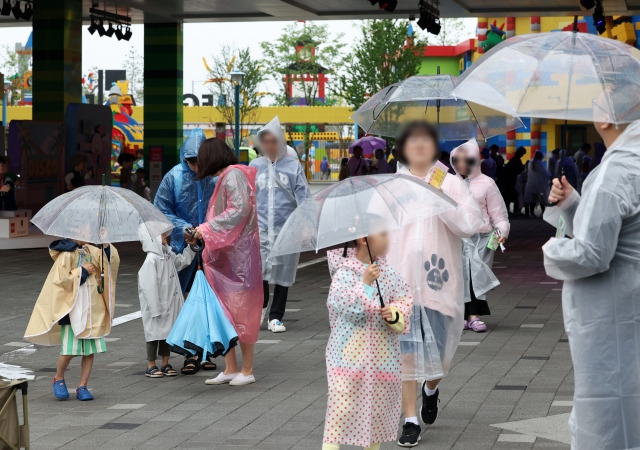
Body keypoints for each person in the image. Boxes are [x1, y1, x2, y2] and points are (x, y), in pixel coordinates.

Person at [541, 97, 640, 449]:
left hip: (609, 310)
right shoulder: (630, 162)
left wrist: (551, 250)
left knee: (606, 413)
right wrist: (572, 204)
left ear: (610, 119)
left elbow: (593, 252)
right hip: (629, 301)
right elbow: (618, 230)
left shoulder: (616, 171)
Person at [387, 121, 482, 447]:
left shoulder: (450, 183)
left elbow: (471, 224)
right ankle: (410, 420)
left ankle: (432, 389)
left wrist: (442, 199)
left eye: (425, 141)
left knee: (439, 356)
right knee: (408, 354)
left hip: (440, 283)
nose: (419, 147)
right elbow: (378, 233)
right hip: (402, 284)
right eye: (412, 141)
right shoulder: (393, 187)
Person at [322, 233, 412, 450]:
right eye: (382, 234)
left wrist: (394, 314)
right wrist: (366, 284)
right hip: (348, 359)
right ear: (364, 239)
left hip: (383, 359)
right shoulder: (345, 273)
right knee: (340, 411)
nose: (388, 239)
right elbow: (347, 310)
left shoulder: (388, 272)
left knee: (377, 413)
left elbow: (404, 299)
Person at [188, 138, 262, 386]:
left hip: (238, 257)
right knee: (226, 311)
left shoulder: (232, 176)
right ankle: (231, 368)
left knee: (241, 311)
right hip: (229, 256)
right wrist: (204, 232)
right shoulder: (227, 176)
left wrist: (207, 228)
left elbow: (239, 210)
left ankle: (247, 369)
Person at [24, 237, 119, 400]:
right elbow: (61, 280)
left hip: (92, 308)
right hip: (72, 308)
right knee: (69, 351)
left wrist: (105, 245)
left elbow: (109, 262)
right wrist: (81, 271)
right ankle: (59, 378)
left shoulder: (91, 250)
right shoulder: (66, 254)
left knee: (89, 352)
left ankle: (83, 385)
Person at [251, 116, 310, 333]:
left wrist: (305, 226)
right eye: (265, 141)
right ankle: (261, 308)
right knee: (260, 271)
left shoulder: (293, 167)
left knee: (283, 272)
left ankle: (276, 317)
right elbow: (249, 198)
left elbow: (304, 198)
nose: (269, 145)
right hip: (261, 229)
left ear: (281, 141)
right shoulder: (254, 166)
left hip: (286, 229)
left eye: (273, 141)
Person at [450, 140, 509, 333]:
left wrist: (502, 233)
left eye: (465, 160)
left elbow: (499, 215)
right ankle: (462, 315)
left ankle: (474, 315)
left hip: (482, 240)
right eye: (456, 160)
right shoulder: (450, 182)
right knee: (459, 276)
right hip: (458, 238)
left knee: (477, 276)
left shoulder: (487, 183)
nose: (460, 164)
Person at [154, 128, 216, 295]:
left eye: (200, 162)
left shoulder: (213, 176)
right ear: (184, 158)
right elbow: (161, 209)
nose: (196, 167)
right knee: (180, 291)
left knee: (212, 290)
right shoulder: (174, 177)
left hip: (210, 242)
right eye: (192, 162)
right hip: (182, 243)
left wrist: (209, 228)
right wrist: (183, 227)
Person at [137, 227, 195, 378]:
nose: (165, 236)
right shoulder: (151, 260)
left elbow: (182, 261)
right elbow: (148, 287)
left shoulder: (167, 255)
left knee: (166, 333)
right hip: (156, 305)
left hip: (167, 303)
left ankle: (165, 362)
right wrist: (155, 308)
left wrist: (191, 248)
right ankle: (151, 364)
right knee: (153, 335)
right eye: (160, 233)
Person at [523, 150, 551, 217]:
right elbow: (544, 172)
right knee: (541, 198)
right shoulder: (538, 163)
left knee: (533, 199)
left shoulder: (531, 162)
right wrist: (550, 176)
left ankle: (532, 212)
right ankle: (543, 212)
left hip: (531, 183)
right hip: (539, 184)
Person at [501, 146, 527, 215]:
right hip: (513, 181)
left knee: (511, 196)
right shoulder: (516, 160)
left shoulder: (513, 160)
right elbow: (518, 170)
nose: (522, 155)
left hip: (511, 181)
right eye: (522, 154)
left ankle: (511, 210)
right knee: (515, 196)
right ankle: (516, 211)